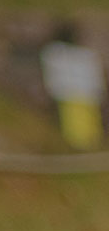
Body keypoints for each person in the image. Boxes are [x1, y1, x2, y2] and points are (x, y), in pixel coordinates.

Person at [40, 21, 103, 150]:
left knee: (85, 127)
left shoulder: (59, 53)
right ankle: (79, 148)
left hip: (80, 94)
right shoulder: (81, 55)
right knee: (77, 126)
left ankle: (85, 148)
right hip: (75, 94)